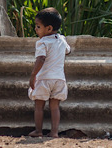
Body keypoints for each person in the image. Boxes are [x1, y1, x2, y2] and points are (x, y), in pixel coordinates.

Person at [28, 7, 71, 138]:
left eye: (38, 26)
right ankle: (54, 132)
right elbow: (68, 51)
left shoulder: (42, 42)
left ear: (49, 29)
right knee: (55, 107)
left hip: (44, 79)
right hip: (59, 80)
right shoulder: (62, 39)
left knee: (39, 106)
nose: (36, 29)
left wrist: (33, 75)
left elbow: (40, 59)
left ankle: (38, 131)